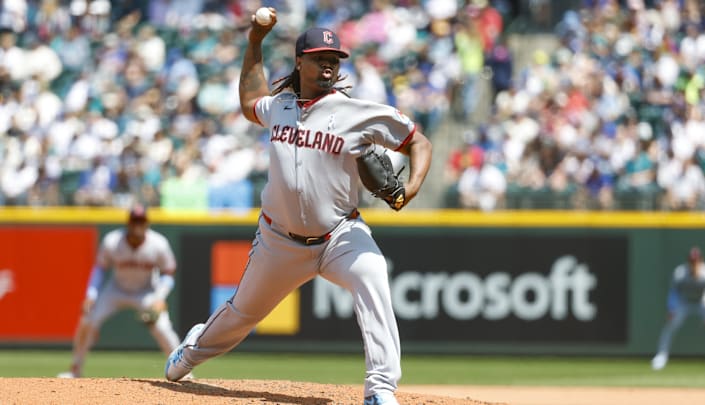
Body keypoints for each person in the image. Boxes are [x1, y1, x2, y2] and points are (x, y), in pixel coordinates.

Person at [164, 9, 433, 405]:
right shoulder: (280, 107)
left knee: (373, 273)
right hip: (279, 241)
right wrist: (254, 41)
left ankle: (380, 389)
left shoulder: (357, 112)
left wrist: (409, 190)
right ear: (299, 61)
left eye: (334, 58)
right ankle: (187, 354)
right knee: (241, 315)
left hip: (340, 234)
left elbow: (418, 142)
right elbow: (250, 101)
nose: (328, 63)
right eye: (320, 56)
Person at [58, 204, 183, 378]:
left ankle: (184, 372)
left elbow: (169, 272)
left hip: (146, 291)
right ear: (128, 223)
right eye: (134, 221)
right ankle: (75, 369)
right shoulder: (112, 241)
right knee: (87, 320)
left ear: (147, 223)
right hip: (116, 290)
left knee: (162, 327)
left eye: (141, 221)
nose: (137, 225)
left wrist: (160, 298)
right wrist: (91, 295)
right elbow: (100, 269)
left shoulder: (159, 244)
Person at [651, 247, 705, 370]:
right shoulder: (680, 273)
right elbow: (674, 292)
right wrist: (671, 308)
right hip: (684, 302)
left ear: (701, 260)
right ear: (688, 261)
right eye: (692, 260)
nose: (694, 263)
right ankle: (661, 356)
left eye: (697, 260)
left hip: (703, 302)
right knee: (670, 326)